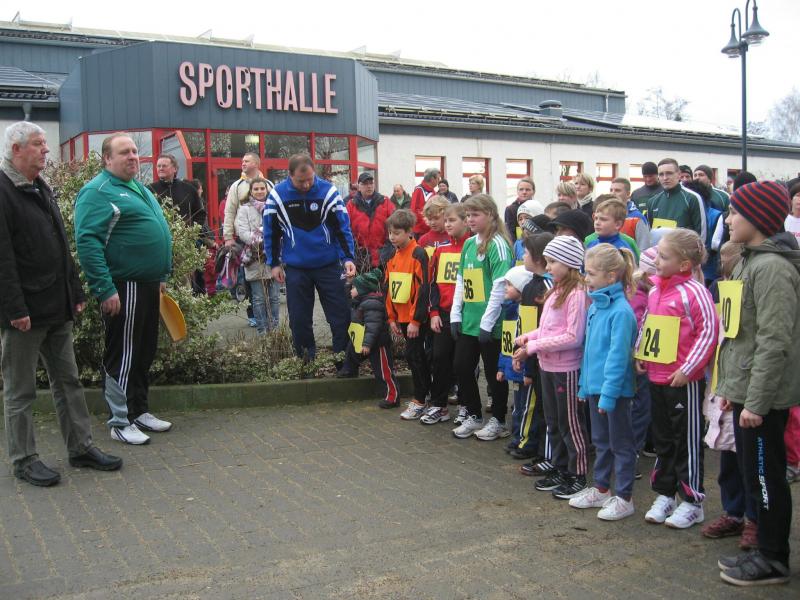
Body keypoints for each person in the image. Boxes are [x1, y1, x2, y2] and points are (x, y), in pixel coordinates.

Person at [0, 122, 122, 486]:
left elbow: (60, 245)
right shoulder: (4, 191)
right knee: (21, 390)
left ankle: (80, 447)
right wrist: (14, 309)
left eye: (44, 143)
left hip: (56, 304)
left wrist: (75, 292)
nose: (45, 150)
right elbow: (3, 258)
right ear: (16, 149)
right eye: (38, 144)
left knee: (68, 380)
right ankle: (24, 459)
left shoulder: (40, 186)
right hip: (24, 312)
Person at [716, 181, 799, 586]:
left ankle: (773, 558)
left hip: (764, 398)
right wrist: (732, 390)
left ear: (758, 218)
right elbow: (739, 334)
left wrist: (756, 402)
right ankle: (763, 549)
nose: (729, 219)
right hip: (747, 391)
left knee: (767, 477)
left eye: (735, 212)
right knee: (754, 474)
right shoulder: (750, 261)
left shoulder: (771, 268)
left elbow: (773, 340)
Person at [75, 132, 174, 446]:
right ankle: (119, 421)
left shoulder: (138, 188)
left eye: (134, 151)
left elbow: (157, 232)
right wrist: (105, 289)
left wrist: (162, 273)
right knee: (124, 353)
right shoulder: (97, 191)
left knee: (143, 351)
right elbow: (87, 242)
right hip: (124, 285)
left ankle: (138, 410)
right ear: (107, 158)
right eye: (124, 152)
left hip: (148, 284)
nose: (133, 156)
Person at [636, 229, 718, 529]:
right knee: (663, 439)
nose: (656, 260)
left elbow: (708, 332)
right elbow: (648, 323)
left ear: (684, 264)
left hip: (684, 381)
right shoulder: (655, 290)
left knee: (686, 440)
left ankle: (692, 500)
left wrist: (688, 369)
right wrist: (641, 353)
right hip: (657, 377)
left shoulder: (695, 292)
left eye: (663, 256)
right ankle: (666, 493)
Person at [514, 236, 590, 499]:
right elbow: (548, 329)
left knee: (570, 424)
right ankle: (560, 467)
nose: (547, 267)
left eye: (553, 262)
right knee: (554, 421)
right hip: (547, 366)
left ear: (569, 263)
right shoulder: (556, 290)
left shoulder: (577, 294)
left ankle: (577, 473)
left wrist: (533, 346)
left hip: (566, 369)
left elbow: (573, 337)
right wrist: (528, 338)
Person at [263, 154, 355, 360]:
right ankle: (306, 363)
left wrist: (348, 258)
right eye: (300, 181)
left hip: (328, 265)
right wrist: (274, 263)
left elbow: (342, 228)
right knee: (299, 320)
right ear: (290, 175)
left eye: (310, 179)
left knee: (340, 316)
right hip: (296, 268)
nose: (306, 184)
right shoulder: (277, 196)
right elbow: (271, 232)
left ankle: (344, 362)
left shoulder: (328, 192)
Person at [569, 244, 638, 520]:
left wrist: (608, 395)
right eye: (586, 272)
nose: (586, 278)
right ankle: (601, 488)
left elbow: (618, 358)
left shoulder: (621, 312)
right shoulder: (595, 307)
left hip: (615, 393)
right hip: (596, 389)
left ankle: (625, 497)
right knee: (600, 441)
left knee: (620, 444)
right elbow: (589, 352)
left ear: (611, 276)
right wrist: (584, 386)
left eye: (592, 273)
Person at [701, 241, 758, 550]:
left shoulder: (755, 285)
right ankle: (733, 512)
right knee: (728, 454)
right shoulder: (720, 288)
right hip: (726, 383)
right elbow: (722, 337)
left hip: (748, 386)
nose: (722, 260)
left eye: (728, 255)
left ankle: (755, 519)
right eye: (721, 255)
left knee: (750, 458)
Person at [450, 194, 513, 440]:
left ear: (490, 215)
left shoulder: (498, 244)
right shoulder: (468, 244)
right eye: (467, 215)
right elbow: (461, 280)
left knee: (494, 373)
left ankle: (498, 419)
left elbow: (500, 285)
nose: (470, 219)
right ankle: (474, 414)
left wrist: (487, 323)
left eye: (475, 214)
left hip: (492, 323)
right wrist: (455, 313)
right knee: (462, 366)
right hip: (470, 319)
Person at [424, 203, 470, 425]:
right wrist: (433, 312)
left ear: (465, 221)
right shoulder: (441, 250)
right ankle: (439, 405)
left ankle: (466, 405)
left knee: (463, 363)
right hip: (443, 313)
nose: (448, 225)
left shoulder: (473, 248)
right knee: (440, 358)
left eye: (452, 220)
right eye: (446, 221)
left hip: (466, 314)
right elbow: (433, 284)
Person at [383, 209, 431, 420]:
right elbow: (388, 287)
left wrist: (416, 320)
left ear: (409, 232)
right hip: (401, 317)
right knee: (414, 357)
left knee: (415, 356)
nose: (392, 237)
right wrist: (391, 317)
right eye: (390, 233)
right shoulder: (392, 255)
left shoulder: (418, 253)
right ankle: (424, 395)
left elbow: (423, 289)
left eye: (397, 233)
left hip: (414, 319)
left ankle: (420, 399)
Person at [513, 233, 554, 466]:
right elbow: (525, 322)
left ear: (538, 258)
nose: (523, 256)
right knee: (531, 401)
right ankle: (528, 442)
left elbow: (547, 325)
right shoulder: (530, 285)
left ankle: (538, 447)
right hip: (530, 351)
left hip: (543, 355)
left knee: (541, 405)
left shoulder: (547, 287)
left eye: (526, 253)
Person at [336, 268, 399, 408]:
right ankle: (349, 370)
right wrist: (349, 283)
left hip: (377, 343)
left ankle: (393, 397)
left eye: (354, 288)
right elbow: (349, 298)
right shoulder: (361, 300)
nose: (352, 290)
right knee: (351, 352)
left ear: (362, 290)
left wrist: (367, 345)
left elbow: (373, 327)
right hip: (364, 340)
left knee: (384, 372)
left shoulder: (372, 304)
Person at [235, 177, 280, 333]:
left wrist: (271, 240)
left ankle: (275, 330)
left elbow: (280, 228)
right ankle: (263, 331)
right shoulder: (244, 209)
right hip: (253, 257)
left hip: (273, 257)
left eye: (262, 188)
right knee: (259, 298)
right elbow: (242, 232)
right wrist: (261, 240)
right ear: (251, 191)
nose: (260, 191)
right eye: (256, 189)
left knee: (274, 297)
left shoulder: (274, 206)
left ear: (267, 190)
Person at [497, 265, 534, 443]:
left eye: (509, 285)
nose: (506, 288)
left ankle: (522, 438)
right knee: (517, 406)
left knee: (525, 406)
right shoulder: (509, 311)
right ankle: (517, 436)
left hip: (523, 369)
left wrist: (528, 371)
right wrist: (501, 367)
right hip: (513, 369)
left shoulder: (526, 313)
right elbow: (506, 345)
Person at [646, 158, 706, 242]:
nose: (665, 178)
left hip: (685, 249)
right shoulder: (652, 202)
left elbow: (701, 236)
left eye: (669, 173)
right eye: (661, 174)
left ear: (679, 174)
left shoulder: (692, 198)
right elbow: (650, 234)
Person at [346, 172, 395, 271]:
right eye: (365, 184)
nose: (369, 186)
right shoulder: (351, 205)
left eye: (371, 183)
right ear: (359, 187)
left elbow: (395, 225)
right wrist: (355, 251)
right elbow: (346, 230)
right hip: (360, 259)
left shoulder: (385, 202)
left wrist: (388, 248)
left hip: (384, 256)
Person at [149, 154, 206, 228]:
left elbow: (200, 214)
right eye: (158, 166)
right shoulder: (149, 190)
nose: (161, 168)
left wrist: (192, 230)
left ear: (175, 169)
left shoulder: (189, 190)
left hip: (184, 234)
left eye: (164, 166)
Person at [223, 152, 264, 247]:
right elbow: (229, 212)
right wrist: (228, 237)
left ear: (256, 164)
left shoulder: (268, 185)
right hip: (241, 239)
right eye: (243, 161)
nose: (243, 164)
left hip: (265, 238)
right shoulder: (236, 186)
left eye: (246, 161)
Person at [584, 196, 640, 260]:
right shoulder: (591, 244)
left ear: (618, 224)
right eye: (596, 218)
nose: (597, 223)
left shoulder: (622, 251)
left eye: (603, 219)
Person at [610, 177, 650, 250]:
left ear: (628, 194)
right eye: (611, 190)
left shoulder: (637, 218)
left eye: (617, 190)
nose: (613, 193)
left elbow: (644, 248)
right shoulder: (606, 215)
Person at [505, 176, 536, 243]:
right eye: (521, 189)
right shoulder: (511, 209)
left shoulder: (537, 207)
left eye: (527, 189)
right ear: (517, 191)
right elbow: (511, 233)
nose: (524, 192)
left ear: (533, 191)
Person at [411, 168, 441, 237]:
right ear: (432, 179)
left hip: (430, 229)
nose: (439, 181)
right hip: (420, 231)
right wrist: (426, 222)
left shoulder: (434, 192)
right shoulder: (419, 190)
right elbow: (414, 210)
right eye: (438, 178)